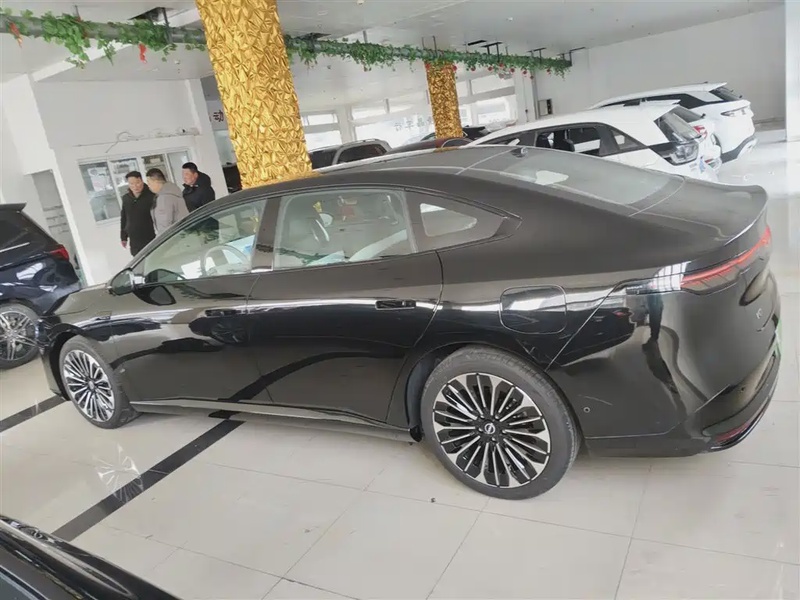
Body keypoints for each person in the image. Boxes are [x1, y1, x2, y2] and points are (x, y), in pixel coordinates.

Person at [119, 171, 156, 256]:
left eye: (137, 183)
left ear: (142, 181)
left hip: (149, 236)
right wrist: (123, 237)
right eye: (131, 184)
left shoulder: (151, 196)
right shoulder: (126, 198)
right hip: (134, 240)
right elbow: (124, 217)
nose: (135, 186)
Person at [145, 168, 189, 235]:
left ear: (156, 182)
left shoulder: (164, 198)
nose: (148, 186)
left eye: (149, 183)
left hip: (176, 237)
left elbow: (164, 226)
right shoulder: (172, 192)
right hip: (184, 233)